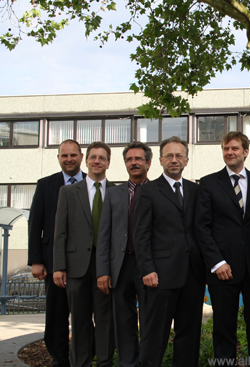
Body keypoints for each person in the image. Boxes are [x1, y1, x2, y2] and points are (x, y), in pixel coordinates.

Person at [195, 131, 250, 366]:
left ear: (245, 152)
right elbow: (201, 227)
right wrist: (217, 262)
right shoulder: (208, 183)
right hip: (223, 268)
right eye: (226, 149)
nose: (229, 152)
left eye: (235, 148)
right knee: (224, 329)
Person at [133, 136, 205, 367]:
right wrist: (147, 269)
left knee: (189, 336)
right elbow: (140, 234)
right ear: (161, 160)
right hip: (160, 277)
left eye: (179, 156)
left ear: (186, 159)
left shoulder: (196, 190)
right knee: (155, 337)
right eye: (169, 156)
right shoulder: (148, 191)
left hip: (192, 275)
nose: (174, 160)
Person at [52, 141, 115, 367]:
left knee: (106, 321)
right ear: (85, 160)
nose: (97, 161)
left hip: (105, 269)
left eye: (102, 157)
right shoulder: (68, 192)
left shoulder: (117, 192)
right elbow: (60, 232)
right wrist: (59, 266)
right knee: (79, 322)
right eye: (93, 157)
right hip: (76, 268)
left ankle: (105, 363)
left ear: (108, 162)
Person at [28, 139, 85, 367]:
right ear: (59, 158)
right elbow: (35, 224)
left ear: (81, 157)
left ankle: (83, 357)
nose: (69, 159)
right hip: (53, 263)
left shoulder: (94, 184)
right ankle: (59, 360)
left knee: (84, 315)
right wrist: (36, 261)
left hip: (85, 263)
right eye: (64, 156)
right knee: (56, 316)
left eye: (73, 155)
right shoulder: (45, 185)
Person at [96, 141, 152, 367]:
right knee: (123, 320)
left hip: (149, 266)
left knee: (150, 319)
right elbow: (104, 235)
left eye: (138, 159)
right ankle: (128, 363)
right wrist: (103, 271)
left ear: (148, 162)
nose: (134, 163)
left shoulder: (158, 190)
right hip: (120, 266)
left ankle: (147, 362)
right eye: (129, 159)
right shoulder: (112, 193)